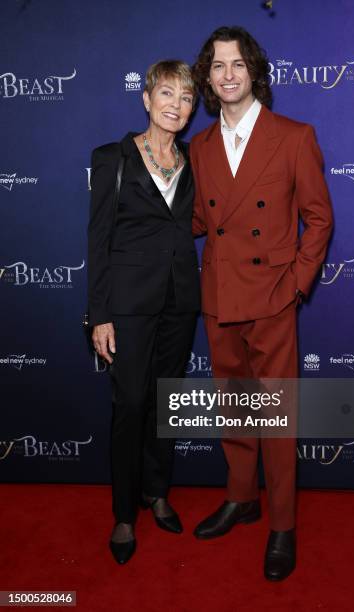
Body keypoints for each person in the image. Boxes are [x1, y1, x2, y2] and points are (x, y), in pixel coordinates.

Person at [190, 27, 333, 580]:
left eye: (237, 64)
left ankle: (281, 524)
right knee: (233, 408)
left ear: (254, 72)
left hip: (272, 299)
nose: (228, 74)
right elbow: (203, 220)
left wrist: (296, 284)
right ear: (207, 77)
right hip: (219, 294)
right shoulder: (197, 148)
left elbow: (318, 219)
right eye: (217, 66)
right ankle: (241, 498)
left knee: (275, 416)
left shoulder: (294, 136)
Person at [87, 60, 200, 564]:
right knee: (130, 405)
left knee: (165, 402)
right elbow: (99, 240)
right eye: (168, 94)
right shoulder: (112, 158)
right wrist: (99, 314)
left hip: (180, 302)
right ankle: (123, 515)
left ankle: (157, 492)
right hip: (128, 307)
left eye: (187, 98)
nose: (177, 105)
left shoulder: (195, 160)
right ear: (147, 99)